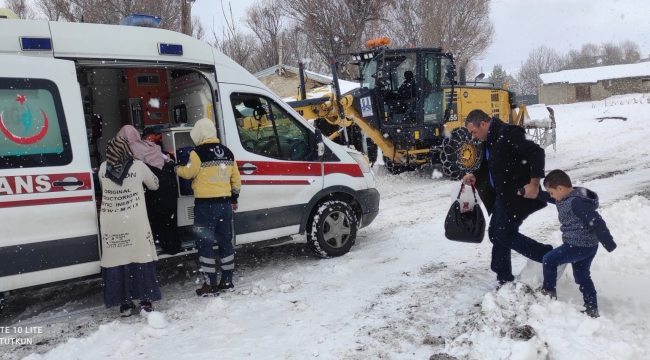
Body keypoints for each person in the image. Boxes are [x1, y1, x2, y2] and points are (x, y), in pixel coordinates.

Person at [462, 109, 553, 285]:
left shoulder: (509, 133)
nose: (474, 136)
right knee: (496, 234)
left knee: (504, 233)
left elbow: (536, 152)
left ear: (483, 124)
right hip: (502, 195)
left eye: (474, 131)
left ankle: (549, 256)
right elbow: (494, 162)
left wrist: (534, 184)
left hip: (517, 193)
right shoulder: (490, 138)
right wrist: (475, 174)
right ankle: (503, 277)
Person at [534, 170, 617, 318]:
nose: (551, 196)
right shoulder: (567, 197)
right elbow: (548, 197)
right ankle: (592, 309)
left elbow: (597, 221)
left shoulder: (577, 202)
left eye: (552, 192)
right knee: (582, 276)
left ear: (560, 188)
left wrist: (608, 242)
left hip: (579, 246)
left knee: (549, 259)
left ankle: (548, 293)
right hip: (587, 247)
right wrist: (532, 192)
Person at [176, 118, 242, 297]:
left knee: (205, 244)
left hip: (205, 207)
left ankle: (210, 283)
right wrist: (234, 198)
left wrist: (175, 167)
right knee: (225, 242)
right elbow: (236, 180)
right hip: (224, 205)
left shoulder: (198, 153)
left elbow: (188, 172)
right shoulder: (228, 153)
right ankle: (227, 280)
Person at [99, 136, 161, 316]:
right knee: (139, 258)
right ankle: (145, 302)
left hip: (111, 221)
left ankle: (125, 304)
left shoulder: (103, 167)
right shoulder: (139, 166)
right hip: (134, 220)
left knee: (119, 260)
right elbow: (155, 185)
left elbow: (105, 189)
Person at [117, 125, 181, 255]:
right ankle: (172, 246)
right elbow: (166, 160)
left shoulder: (127, 149)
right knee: (169, 217)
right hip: (168, 182)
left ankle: (154, 245)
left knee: (153, 216)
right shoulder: (151, 146)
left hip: (152, 185)